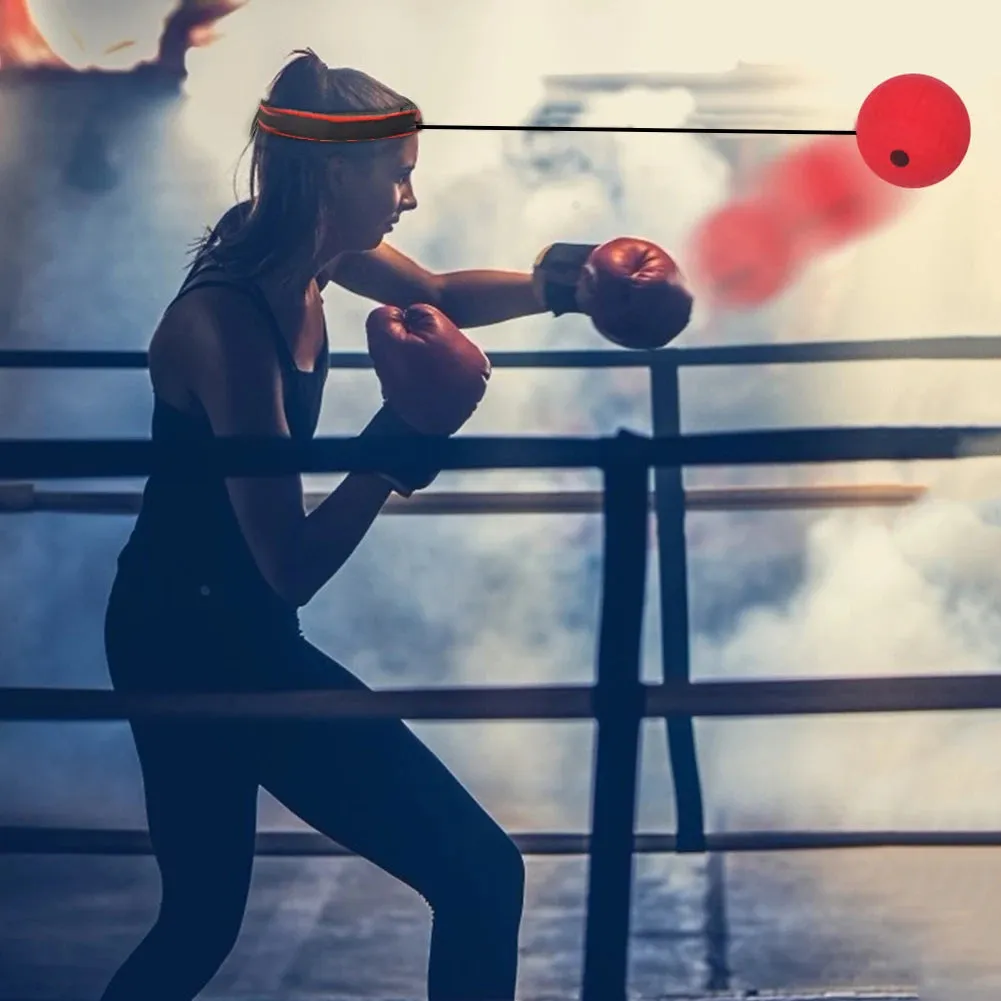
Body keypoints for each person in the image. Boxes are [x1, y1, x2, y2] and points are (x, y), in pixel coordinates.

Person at [101, 47, 690, 1001]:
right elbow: (286, 564)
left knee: (200, 919)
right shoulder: (229, 328)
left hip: (214, 631)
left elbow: (444, 296)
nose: (410, 196)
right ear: (335, 173)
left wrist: (572, 287)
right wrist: (398, 439)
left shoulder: (307, 247)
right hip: (196, 645)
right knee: (476, 873)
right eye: (398, 172)